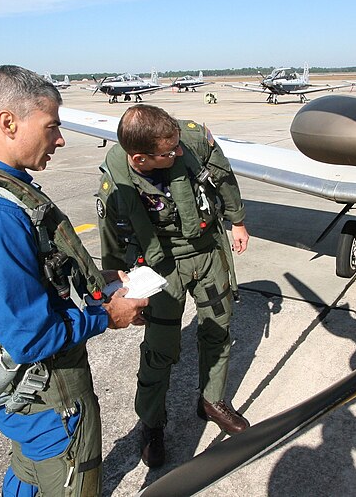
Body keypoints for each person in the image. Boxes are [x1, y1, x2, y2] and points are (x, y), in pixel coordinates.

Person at [0, 65, 150, 496]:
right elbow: (29, 338)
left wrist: (97, 278)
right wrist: (109, 315)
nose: (61, 139)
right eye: (52, 126)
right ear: (8, 122)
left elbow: (27, 277)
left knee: (28, 474)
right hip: (49, 398)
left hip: (25, 397)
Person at [95, 104, 250, 468]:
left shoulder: (190, 137)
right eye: (169, 153)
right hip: (160, 264)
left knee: (218, 328)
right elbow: (110, 236)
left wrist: (238, 220)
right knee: (161, 348)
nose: (179, 153)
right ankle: (151, 423)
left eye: (177, 145)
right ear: (140, 159)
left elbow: (223, 176)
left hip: (208, 249)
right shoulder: (117, 181)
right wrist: (115, 280)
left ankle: (212, 401)